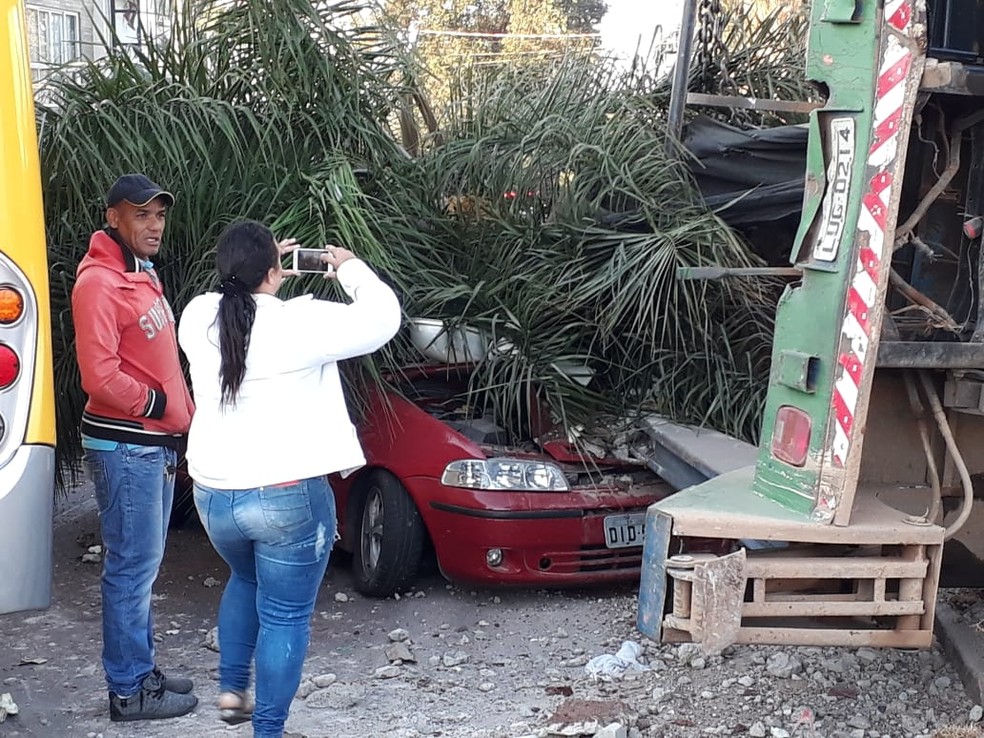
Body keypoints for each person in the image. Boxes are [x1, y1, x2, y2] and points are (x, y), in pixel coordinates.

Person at [177, 220, 400, 738]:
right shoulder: (302, 322)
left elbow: (231, 300)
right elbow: (383, 317)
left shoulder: (195, 316)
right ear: (275, 272)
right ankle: (268, 731)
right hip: (286, 497)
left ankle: (232, 690)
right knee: (284, 615)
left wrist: (262, 265)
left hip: (215, 496)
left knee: (246, 578)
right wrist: (350, 269)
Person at [72, 173, 198, 721]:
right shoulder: (98, 283)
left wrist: (181, 414)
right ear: (113, 217)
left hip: (151, 445)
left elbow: (156, 357)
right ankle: (128, 691)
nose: (154, 225)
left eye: (159, 215)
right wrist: (157, 405)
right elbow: (99, 375)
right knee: (130, 568)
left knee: (142, 566)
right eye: (141, 214)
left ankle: (141, 671)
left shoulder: (140, 274)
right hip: (127, 447)